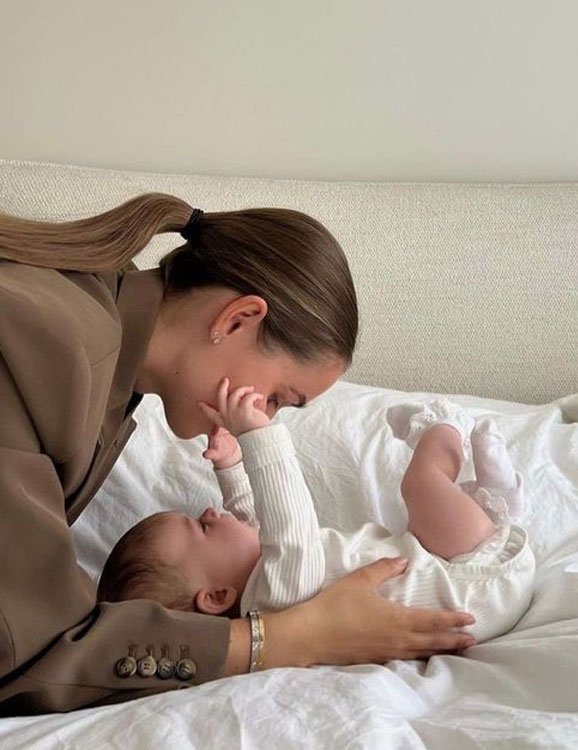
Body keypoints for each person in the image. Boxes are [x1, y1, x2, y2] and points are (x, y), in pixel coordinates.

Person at [0, 195, 476, 715]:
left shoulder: (99, 333)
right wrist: (290, 638)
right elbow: (32, 649)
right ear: (237, 319)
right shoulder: (45, 350)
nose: (264, 418)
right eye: (277, 398)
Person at [98, 385, 535, 644]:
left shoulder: (266, 583)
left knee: (425, 514)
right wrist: (258, 436)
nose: (211, 510)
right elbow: (287, 519)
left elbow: (254, 520)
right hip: (475, 581)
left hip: (452, 564)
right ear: (215, 597)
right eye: (200, 526)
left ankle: (496, 502)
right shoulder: (275, 598)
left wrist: (230, 464)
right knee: (420, 485)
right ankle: (444, 426)